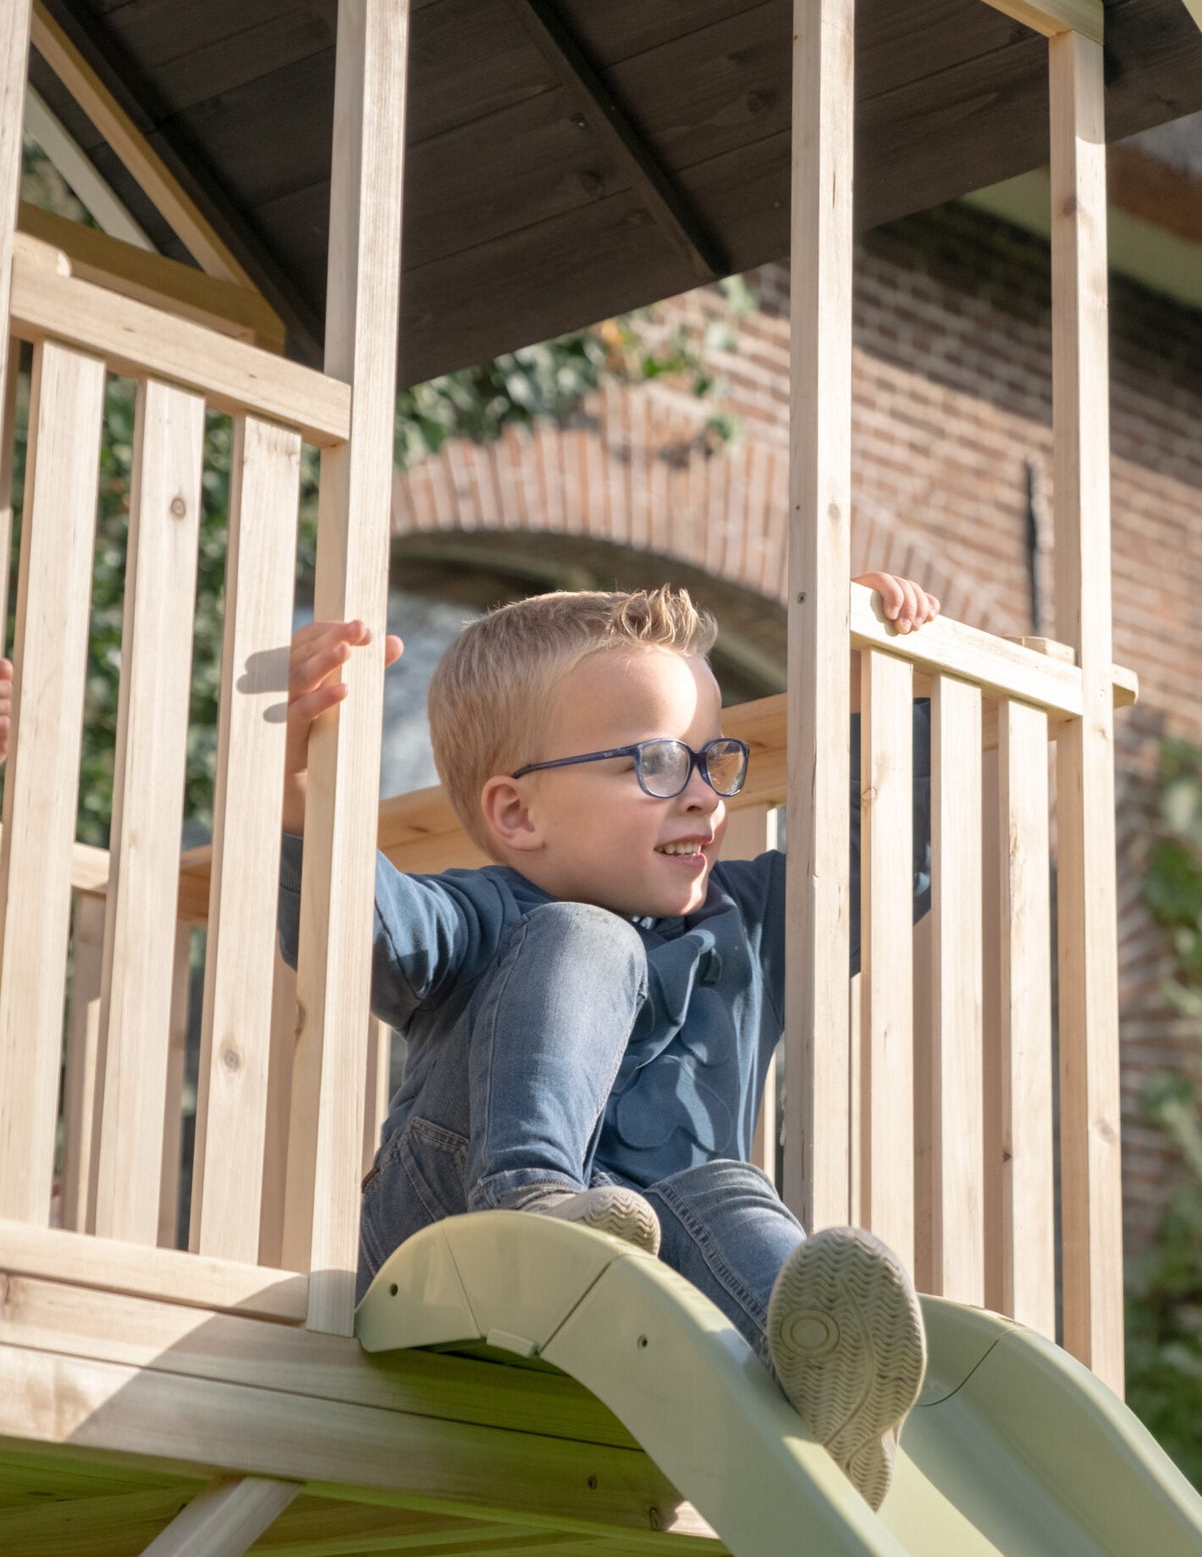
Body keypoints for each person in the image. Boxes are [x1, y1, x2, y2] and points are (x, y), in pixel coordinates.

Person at [279, 572, 940, 1508]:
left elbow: (884, 864)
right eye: (658, 764)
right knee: (588, 934)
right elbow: (366, 930)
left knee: (729, 1189)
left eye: (714, 759)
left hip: (641, 1293)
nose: (705, 795)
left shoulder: (748, 926)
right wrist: (304, 783)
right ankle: (533, 1201)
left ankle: (825, 1392)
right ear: (517, 813)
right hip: (445, 1248)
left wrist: (890, 674)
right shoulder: (485, 913)